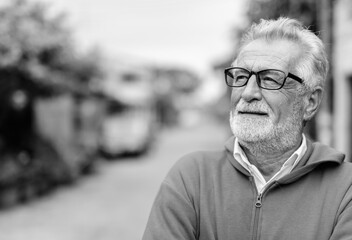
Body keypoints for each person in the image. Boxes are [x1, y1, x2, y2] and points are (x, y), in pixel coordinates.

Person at [142, 17, 352, 240]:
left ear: (310, 102)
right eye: (241, 77)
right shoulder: (192, 177)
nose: (248, 93)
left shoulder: (345, 189)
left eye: (270, 79)